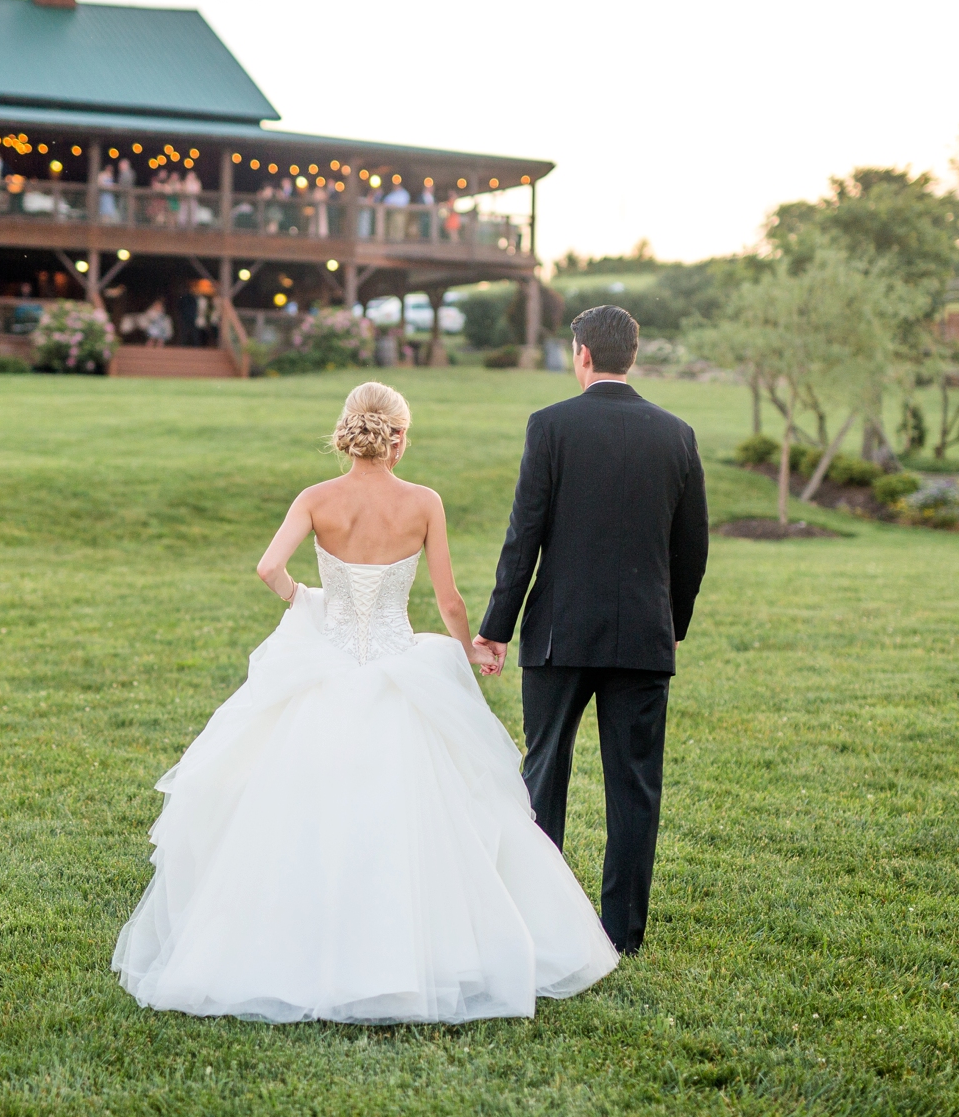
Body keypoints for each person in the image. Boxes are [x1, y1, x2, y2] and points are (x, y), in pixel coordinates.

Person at [113, 383, 618, 1023]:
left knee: (299, 804)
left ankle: (290, 946)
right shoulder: (423, 503)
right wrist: (470, 650)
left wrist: (309, 599)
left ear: (348, 431)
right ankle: (419, 951)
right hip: (400, 665)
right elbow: (451, 599)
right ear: (399, 438)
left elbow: (269, 568)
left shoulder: (317, 499)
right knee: (421, 805)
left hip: (326, 663)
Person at [473, 305, 708, 957]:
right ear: (632, 355)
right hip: (643, 638)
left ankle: (538, 920)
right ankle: (622, 934)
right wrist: (674, 624)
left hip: (558, 635)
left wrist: (496, 626)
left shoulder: (550, 426)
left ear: (581, 354)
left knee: (543, 773)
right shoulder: (677, 434)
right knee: (634, 784)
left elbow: (525, 536)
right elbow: (693, 548)